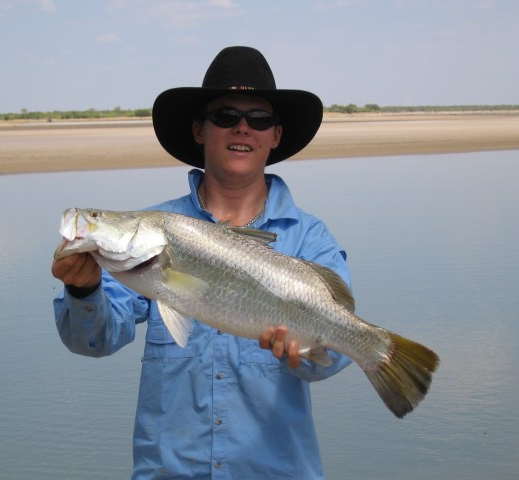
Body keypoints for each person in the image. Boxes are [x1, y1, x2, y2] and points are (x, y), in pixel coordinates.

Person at [52, 46, 352, 479]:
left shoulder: (310, 238)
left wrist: (303, 354)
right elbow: (93, 340)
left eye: (259, 119)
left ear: (276, 135)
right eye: (226, 115)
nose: (243, 128)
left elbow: (334, 354)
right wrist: (84, 290)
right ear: (199, 130)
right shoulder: (155, 232)